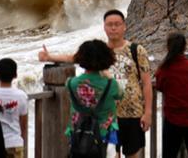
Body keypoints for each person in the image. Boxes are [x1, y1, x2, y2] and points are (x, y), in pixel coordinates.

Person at [39, 9, 153, 158]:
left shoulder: (136, 50)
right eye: (109, 24)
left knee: (132, 154)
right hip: (105, 117)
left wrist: (148, 112)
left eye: (117, 24)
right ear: (104, 27)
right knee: (110, 154)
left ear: (124, 26)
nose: (113, 28)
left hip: (132, 113)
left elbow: (146, 83)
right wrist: (49, 57)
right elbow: (75, 57)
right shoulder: (98, 51)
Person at [66, 40, 122, 155]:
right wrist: (108, 76)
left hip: (79, 134)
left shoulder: (71, 83)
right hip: (104, 135)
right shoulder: (111, 84)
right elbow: (120, 95)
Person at [155, 33, 188, 158]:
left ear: (168, 47)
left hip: (173, 122)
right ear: (184, 47)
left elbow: (160, 86)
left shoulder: (164, 70)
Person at [0, 58, 28, 158]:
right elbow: (23, 124)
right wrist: (22, 140)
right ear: (15, 75)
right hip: (15, 143)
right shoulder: (21, 96)